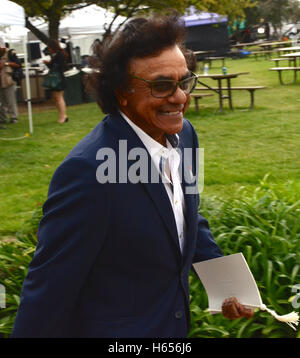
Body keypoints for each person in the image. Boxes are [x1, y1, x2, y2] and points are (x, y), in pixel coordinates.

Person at [12, 14, 253, 338]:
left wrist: (228, 287)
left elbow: (186, 216)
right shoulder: (88, 172)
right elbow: (49, 287)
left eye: (184, 81)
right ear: (122, 92)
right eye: (162, 86)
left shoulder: (186, 136)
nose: (181, 97)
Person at [44, 39, 69, 123]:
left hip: (59, 79)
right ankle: (62, 115)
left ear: (53, 47)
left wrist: (48, 63)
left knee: (59, 98)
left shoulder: (60, 55)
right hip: (56, 78)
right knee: (56, 98)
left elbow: (60, 67)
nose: (48, 49)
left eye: (49, 47)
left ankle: (63, 116)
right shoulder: (56, 55)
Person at [0, 40, 19, 127]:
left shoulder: (10, 53)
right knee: (1, 102)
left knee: (10, 101)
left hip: (8, 80)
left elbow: (18, 64)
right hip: (1, 80)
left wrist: (6, 63)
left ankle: (13, 118)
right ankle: (2, 118)